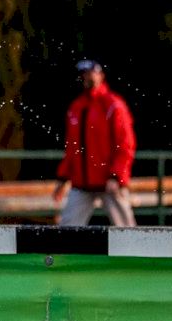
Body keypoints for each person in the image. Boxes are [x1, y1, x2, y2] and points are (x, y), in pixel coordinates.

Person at [52, 59, 138, 226]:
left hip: (109, 181)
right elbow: (72, 149)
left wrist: (116, 176)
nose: (87, 77)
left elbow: (125, 144)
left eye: (91, 73)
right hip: (81, 183)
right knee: (67, 228)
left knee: (126, 229)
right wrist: (63, 178)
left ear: (101, 75)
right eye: (84, 74)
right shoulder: (76, 107)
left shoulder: (113, 105)